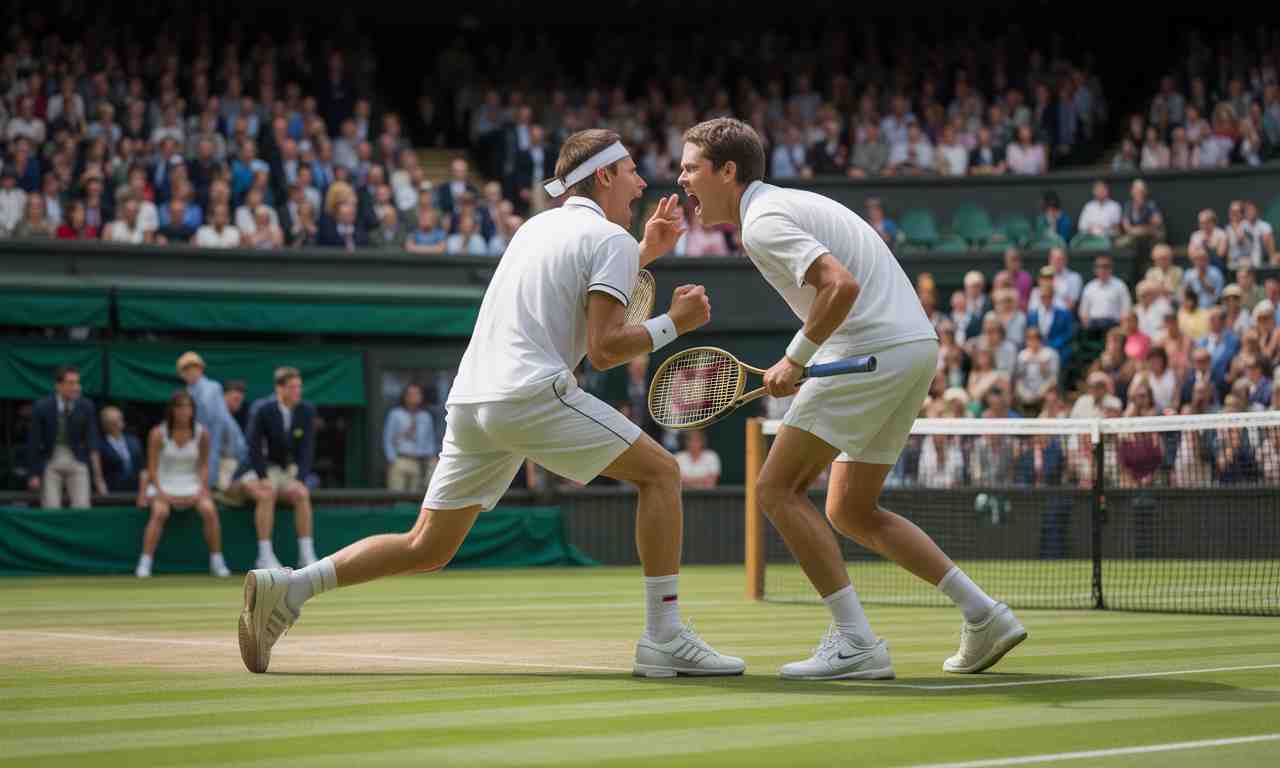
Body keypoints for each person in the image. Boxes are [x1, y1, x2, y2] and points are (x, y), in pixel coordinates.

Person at [239, 129, 744, 678]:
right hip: (530, 395)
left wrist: (645, 251)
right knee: (663, 473)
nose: (642, 181)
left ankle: (289, 588)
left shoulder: (534, 229)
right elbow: (602, 351)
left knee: (426, 546)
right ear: (602, 176)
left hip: (473, 402)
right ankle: (664, 636)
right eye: (629, 170)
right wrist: (676, 323)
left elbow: (575, 287)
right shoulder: (608, 241)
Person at [677, 117, 1024, 680]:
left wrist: (796, 357)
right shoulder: (777, 208)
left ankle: (856, 642)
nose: (682, 179)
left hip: (872, 347)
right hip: (912, 348)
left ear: (727, 171)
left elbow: (841, 285)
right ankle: (983, 614)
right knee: (849, 509)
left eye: (691, 167)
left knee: (775, 487)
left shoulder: (763, 221)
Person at [134, 391, 230, 579]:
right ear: (172, 410)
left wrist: (201, 489)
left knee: (209, 511)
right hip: (163, 483)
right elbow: (152, 468)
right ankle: (145, 563)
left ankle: (217, 562)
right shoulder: (157, 434)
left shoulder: (202, 434)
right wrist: (161, 493)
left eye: (188, 407)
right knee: (160, 512)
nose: (184, 411)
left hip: (192, 484)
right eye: (180, 407)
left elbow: (203, 465)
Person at [232, 367, 319, 571]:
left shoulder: (306, 410)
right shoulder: (262, 409)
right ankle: (264, 556)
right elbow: (253, 446)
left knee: (302, 493)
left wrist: (300, 477)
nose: (297, 391)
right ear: (279, 388)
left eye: (299, 387)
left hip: (284, 471)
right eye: (292, 387)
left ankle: (306, 555)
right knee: (266, 493)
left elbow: (307, 448)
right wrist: (262, 476)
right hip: (256, 469)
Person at [27, 366, 106, 509]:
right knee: (51, 508)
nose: (77, 387)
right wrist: (33, 474)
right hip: (50, 461)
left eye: (78, 383)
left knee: (82, 507)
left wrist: (98, 478)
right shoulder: (42, 406)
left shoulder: (86, 406)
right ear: (58, 386)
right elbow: (34, 442)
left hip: (76, 459)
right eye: (71, 383)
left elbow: (92, 441)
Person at [383, 383, 438, 491]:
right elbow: (387, 438)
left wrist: (431, 459)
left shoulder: (425, 417)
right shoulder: (395, 414)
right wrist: (392, 460)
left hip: (418, 462)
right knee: (397, 496)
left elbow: (430, 441)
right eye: (411, 394)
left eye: (417, 393)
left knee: (414, 497)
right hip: (399, 460)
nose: (414, 396)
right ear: (405, 396)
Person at [97, 406, 145, 493]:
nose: (118, 424)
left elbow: (141, 467)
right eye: (113, 422)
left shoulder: (134, 441)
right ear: (106, 425)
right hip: (113, 492)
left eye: (119, 419)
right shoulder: (100, 445)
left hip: (136, 490)